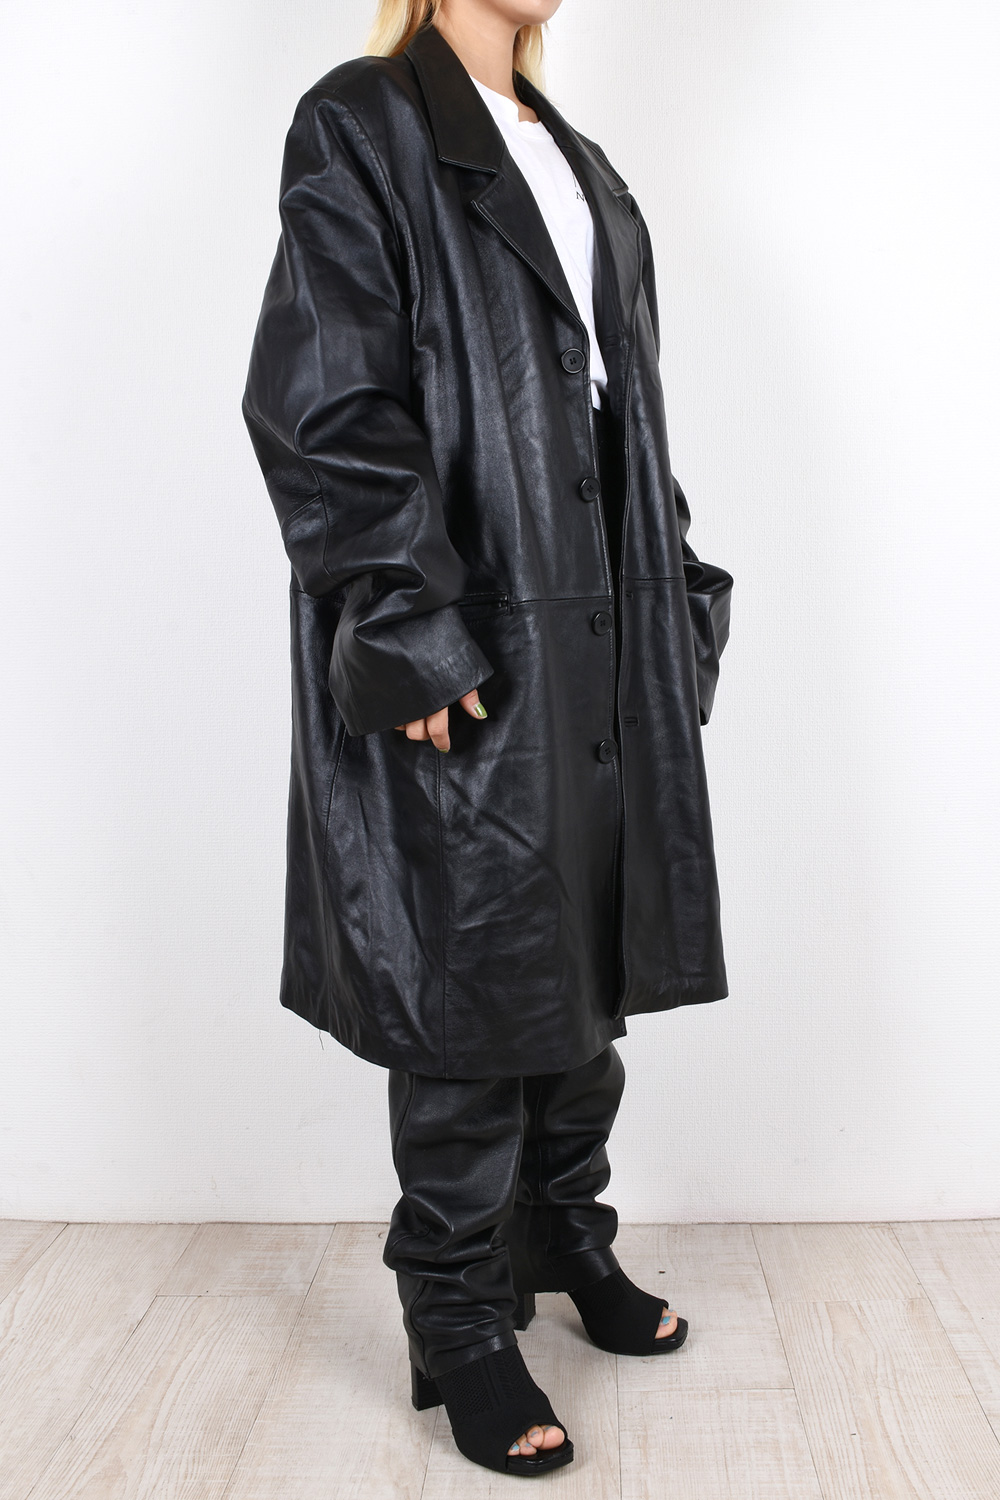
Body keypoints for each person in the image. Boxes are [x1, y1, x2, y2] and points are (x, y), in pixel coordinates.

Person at [242, 0, 734, 1477]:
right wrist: (402, 614)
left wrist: (677, 597)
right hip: (473, 624)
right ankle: (455, 1313)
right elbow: (325, 394)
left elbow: (623, 408)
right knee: (471, 984)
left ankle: (564, 1233)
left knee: (587, 960)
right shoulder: (365, 120)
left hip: (601, 624)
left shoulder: (575, 156)